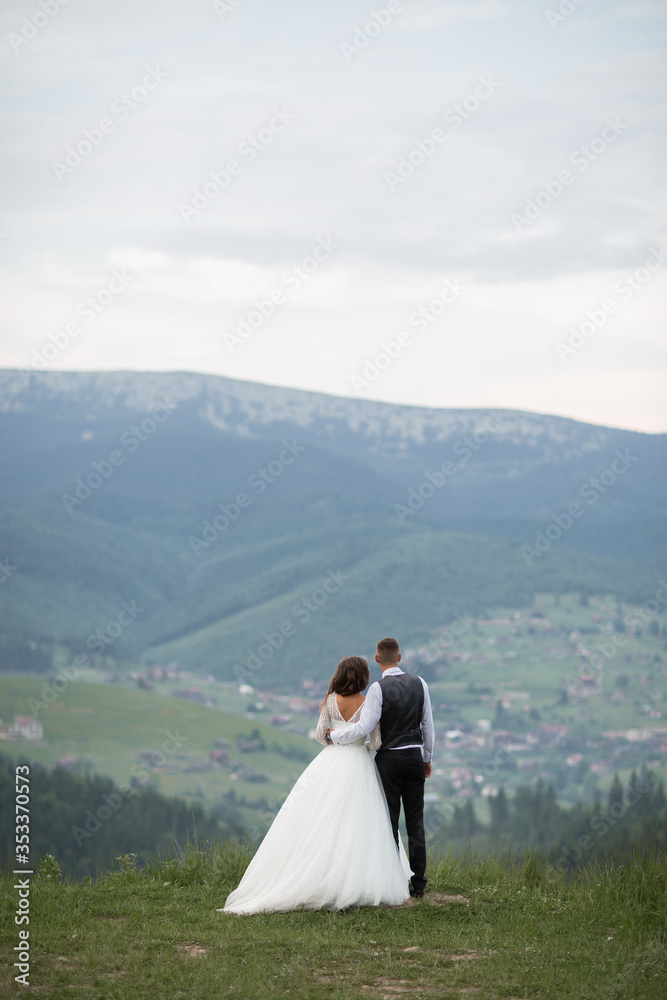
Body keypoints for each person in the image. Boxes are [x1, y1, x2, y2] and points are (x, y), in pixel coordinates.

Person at [220, 655, 411, 914]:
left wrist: (338, 743)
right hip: (361, 765)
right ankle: (357, 881)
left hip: (331, 762)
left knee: (322, 819)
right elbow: (376, 742)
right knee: (362, 822)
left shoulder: (330, 701)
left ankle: (321, 876)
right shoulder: (368, 704)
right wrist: (360, 746)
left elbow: (320, 735)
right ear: (364, 678)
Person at [328, 637, 434, 897]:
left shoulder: (377, 688)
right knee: (416, 822)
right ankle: (419, 883)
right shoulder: (421, 684)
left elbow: (364, 727)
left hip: (389, 760)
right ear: (400, 657)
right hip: (413, 757)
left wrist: (336, 736)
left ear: (377, 659)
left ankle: (395, 879)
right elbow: (428, 726)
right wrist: (427, 758)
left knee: (389, 821)